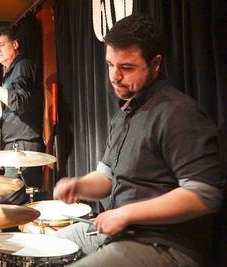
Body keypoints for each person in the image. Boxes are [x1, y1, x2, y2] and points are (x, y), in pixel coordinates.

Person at [52, 13, 225, 266]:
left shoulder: (179, 113)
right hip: (123, 233)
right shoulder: (124, 114)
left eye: (127, 67)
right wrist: (78, 185)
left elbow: (205, 194)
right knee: (43, 249)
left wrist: (126, 214)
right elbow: (106, 179)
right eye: (110, 64)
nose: (114, 76)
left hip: (166, 244)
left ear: (155, 64)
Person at [0, 26, 44, 205]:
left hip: (23, 147)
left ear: (15, 44)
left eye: (2, 45)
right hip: (14, 147)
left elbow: (19, 102)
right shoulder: (9, 75)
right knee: (12, 207)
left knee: (9, 207)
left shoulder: (22, 66)